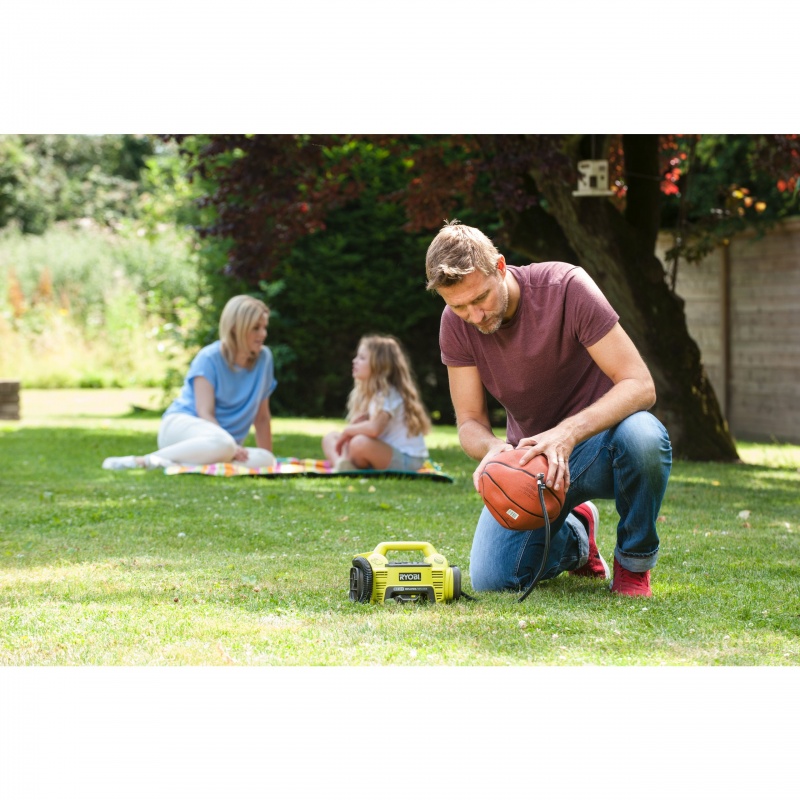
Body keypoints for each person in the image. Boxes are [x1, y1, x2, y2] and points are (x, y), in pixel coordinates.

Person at [425, 221, 672, 597]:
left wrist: (566, 434)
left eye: (481, 298)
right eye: (459, 306)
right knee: (494, 579)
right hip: (532, 466)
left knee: (645, 436)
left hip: (603, 446)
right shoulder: (456, 326)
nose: (474, 316)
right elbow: (470, 421)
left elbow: (640, 384)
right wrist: (494, 451)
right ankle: (577, 537)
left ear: (500, 267)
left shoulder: (566, 287)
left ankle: (633, 564)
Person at [102, 295, 277, 471]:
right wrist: (230, 444)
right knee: (224, 445)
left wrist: (271, 465)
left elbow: (262, 418)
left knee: (265, 459)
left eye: (264, 327)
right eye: (256, 328)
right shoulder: (209, 358)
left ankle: (181, 462)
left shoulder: (265, 359)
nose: (263, 334)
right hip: (184, 427)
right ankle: (143, 461)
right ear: (235, 328)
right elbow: (204, 412)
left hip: (223, 446)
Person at [322, 334, 431, 472]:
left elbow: (374, 429)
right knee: (330, 438)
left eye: (362, 358)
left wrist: (349, 430)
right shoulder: (371, 394)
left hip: (408, 460)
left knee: (359, 443)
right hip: (383, 452)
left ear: (379, 365)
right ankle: (342, 465)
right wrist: (356, 427)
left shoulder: (388, 394)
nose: (355, 361)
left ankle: (347, 466)